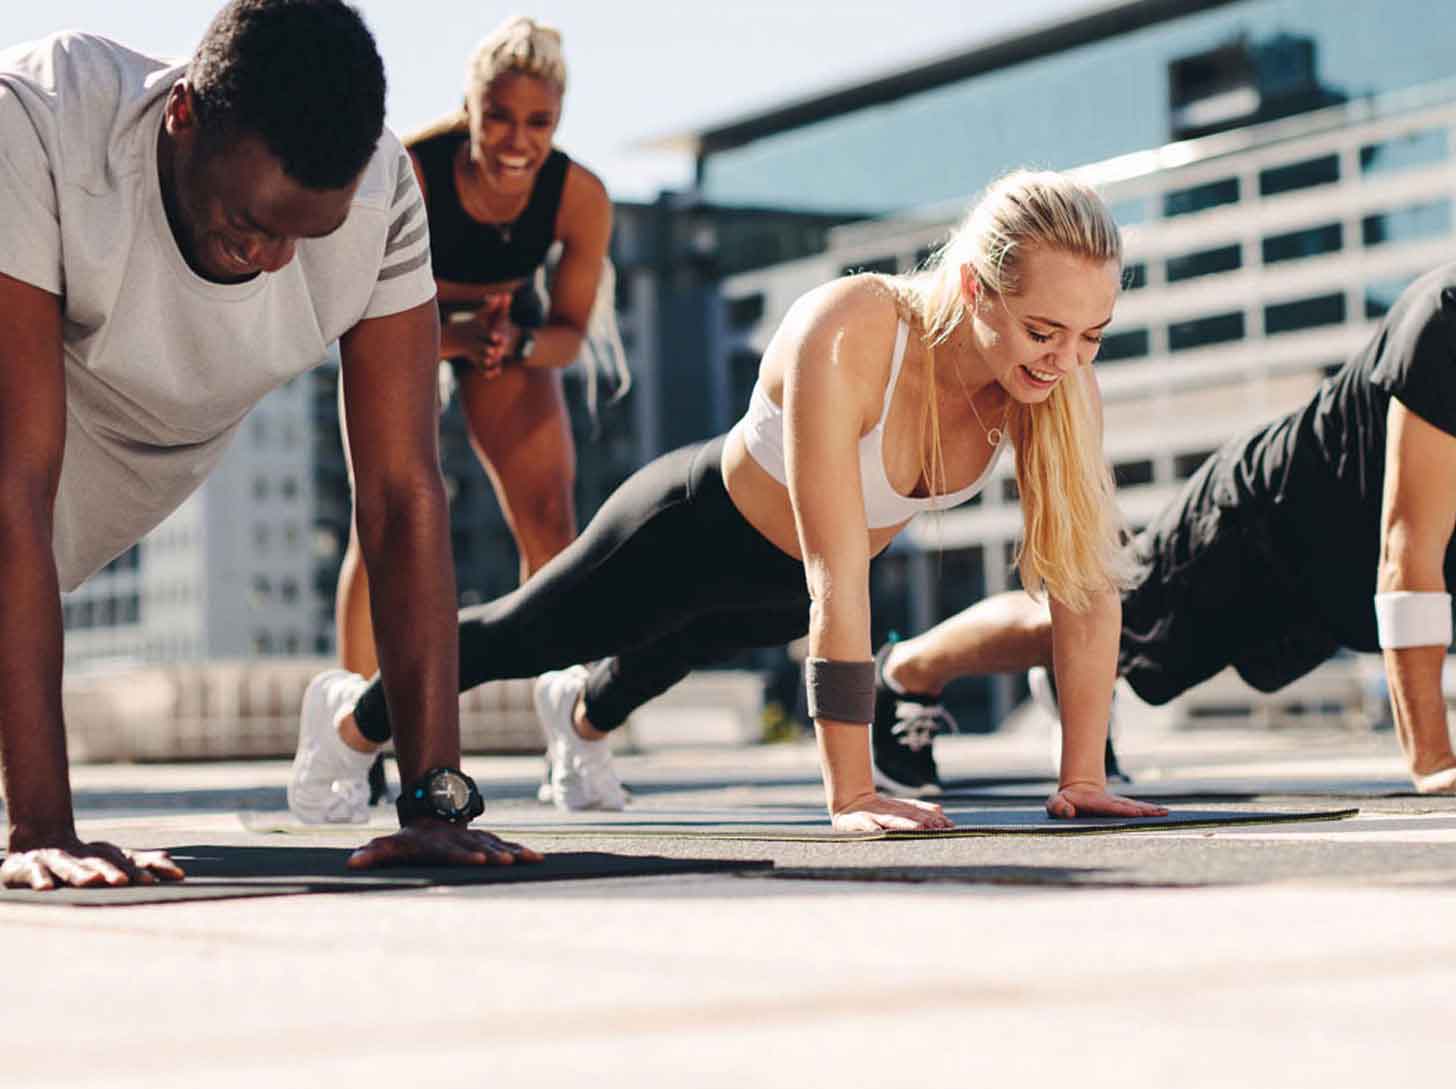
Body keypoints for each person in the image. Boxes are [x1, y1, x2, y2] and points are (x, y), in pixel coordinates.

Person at [293, 169, 1167, 831]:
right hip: (691, 529)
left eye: (1091, 336)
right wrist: (852, 793)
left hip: (783, 594)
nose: (1064, 359)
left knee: (668, 658)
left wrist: (1081, 777)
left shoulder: (1057, 388)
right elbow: (839, 575)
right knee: (527, 634)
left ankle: (579, 717)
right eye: (1043, 330)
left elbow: (1085, 586)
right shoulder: (854, 330)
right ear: (976, 287)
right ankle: (348, 720)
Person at [872, 192, 1456, 795]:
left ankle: (1070, 682)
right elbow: (1409, 536)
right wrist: (1433, 757)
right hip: (1265, 523)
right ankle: (908, 671)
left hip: (1353, 584)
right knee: (1109, 617)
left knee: (1123, 652)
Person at [0, 0, 538, 891]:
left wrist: (436, 803)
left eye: (305, 233)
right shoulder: (42, 122)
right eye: (250, 223)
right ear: (182, 117)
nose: (276, 261)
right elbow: (14, 482)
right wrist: (43, 825)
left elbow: (403, 495)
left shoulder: (380, 198)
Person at [336, 15, 623, 678]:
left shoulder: (580, 196)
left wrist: (516, 344)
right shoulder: (411, 168)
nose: (517, 141)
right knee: (381, 518)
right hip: (398, 315)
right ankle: (353, 731)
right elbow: (353, 306)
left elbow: (570, 337)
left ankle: (565, 723)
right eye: (497, 117)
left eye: (539, 123)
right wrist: (451, 332)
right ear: (469, 106)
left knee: (552, 518)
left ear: (558, 120)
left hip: (507, 324)